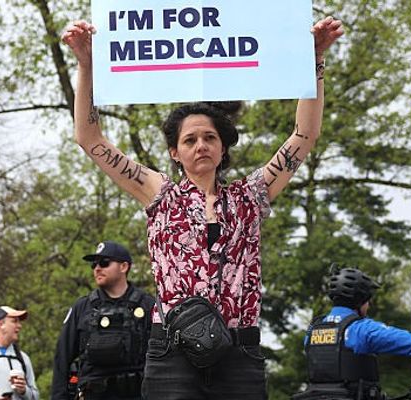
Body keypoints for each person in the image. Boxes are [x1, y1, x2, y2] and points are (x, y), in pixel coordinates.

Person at [61, 15, 345, 400]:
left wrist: (313, 60)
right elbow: (88, 136)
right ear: (175, 152)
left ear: (223, 147)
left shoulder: (251, 195)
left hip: (239, 350)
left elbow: (305, 135)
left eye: (210, 137)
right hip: (172, 352)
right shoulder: (159, 193)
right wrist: (87, 64)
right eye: (190, 139)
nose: (201, 145)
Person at [294, 268, 411, 400]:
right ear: (360, 300)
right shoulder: (362, 330)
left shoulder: (312, 331)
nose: (368, 306)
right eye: (368, 301)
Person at [51, 241, 155, 400]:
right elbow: (62, 358)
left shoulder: (147, 305)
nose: (97, 268)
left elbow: (163, 357)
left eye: (104, 263)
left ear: (124, 267)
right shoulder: (82, 307)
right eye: (94, 264)